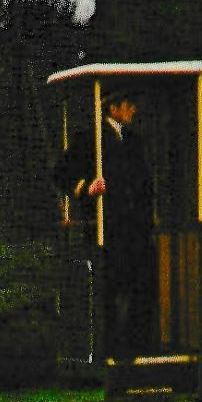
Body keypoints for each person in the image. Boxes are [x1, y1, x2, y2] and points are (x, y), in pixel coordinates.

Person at [53, 89, 155, 361]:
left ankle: (136, 347)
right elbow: (61, 173)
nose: (133, 110)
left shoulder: (133, 140)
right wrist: (86, 187)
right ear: (113, 109)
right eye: (128, 105)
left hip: (136, 230)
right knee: (110, 287)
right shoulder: (90, 139)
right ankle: (109, 349)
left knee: (138, 286)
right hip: (107, 228)